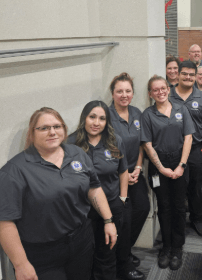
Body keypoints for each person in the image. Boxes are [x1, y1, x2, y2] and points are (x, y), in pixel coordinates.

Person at [0, 107, 117, 280]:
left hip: (81, 241)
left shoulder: (77, 154)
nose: (52, 132)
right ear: (32, 133)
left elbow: (94, 187)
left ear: (64, 130)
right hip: (42, 253)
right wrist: (20, 264)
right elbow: (5, 222)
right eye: (44, 128)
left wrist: (108, 220)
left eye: (57, 126)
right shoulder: (14, 171)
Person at [67, 101, 143, 280]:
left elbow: (123, 170)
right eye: (92, 117)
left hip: (111, 205)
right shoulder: (71, 143)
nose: (96, 122)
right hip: (83, 210)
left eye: (101, 118)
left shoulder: (114, 140)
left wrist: (123, 198)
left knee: (107, 254)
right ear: (84, 118)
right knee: (84, 255)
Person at [141, 75, 194, 270]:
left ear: (168, 89)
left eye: (163, 88)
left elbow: (188, 138)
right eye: (155, 90)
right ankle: (166, 246)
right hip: (158, 166)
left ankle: (177, 248)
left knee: (179, 207)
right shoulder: (147, 115)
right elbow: (147, 144)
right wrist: (162, 168)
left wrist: (181, 165)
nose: (160, 92)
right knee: (164, 206)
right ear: (150, 93)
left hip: (180, 162)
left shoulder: (182, 110)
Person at [108, 73, 151, 271]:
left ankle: (124, 251)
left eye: (128, 91)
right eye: (119, 91)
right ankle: (121, 261)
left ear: (133, 93)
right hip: (117, 178)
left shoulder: (136, 113)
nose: (124, 95)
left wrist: (139, 168)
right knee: (123, 219)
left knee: (142, 209)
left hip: (135, 172)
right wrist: (124, 173)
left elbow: (141, 144)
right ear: (112, 93)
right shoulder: (106, 117)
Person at [169, 61, 202, 238]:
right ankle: (177, 219)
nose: (188, 77)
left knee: (195, 186)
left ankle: (197, 218)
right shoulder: (168, 95)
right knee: (177, 186)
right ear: (178, 75)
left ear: (195, 76)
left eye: (191, 74)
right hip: (174, 150)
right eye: (184, 74)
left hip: (196, 149)